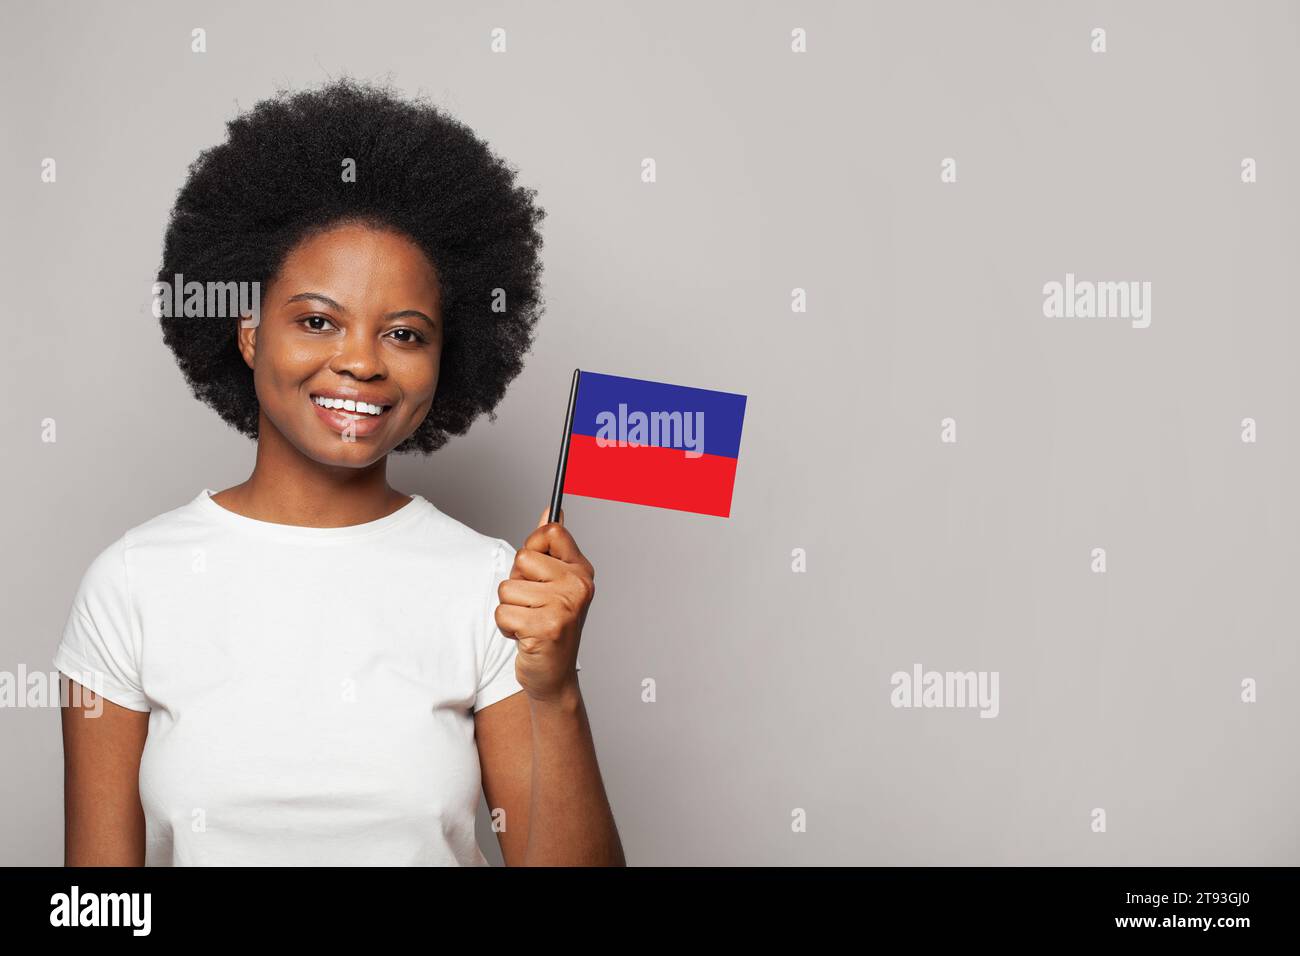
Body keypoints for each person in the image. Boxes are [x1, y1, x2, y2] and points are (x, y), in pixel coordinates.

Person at [54, 78, 625, 866]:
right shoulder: (131, 584)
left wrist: (554, 693)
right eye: (317, 321)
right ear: (249, 333)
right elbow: (96, 907)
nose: (359, 362)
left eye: (404, 333)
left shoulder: (496, 589)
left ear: (443, 360)